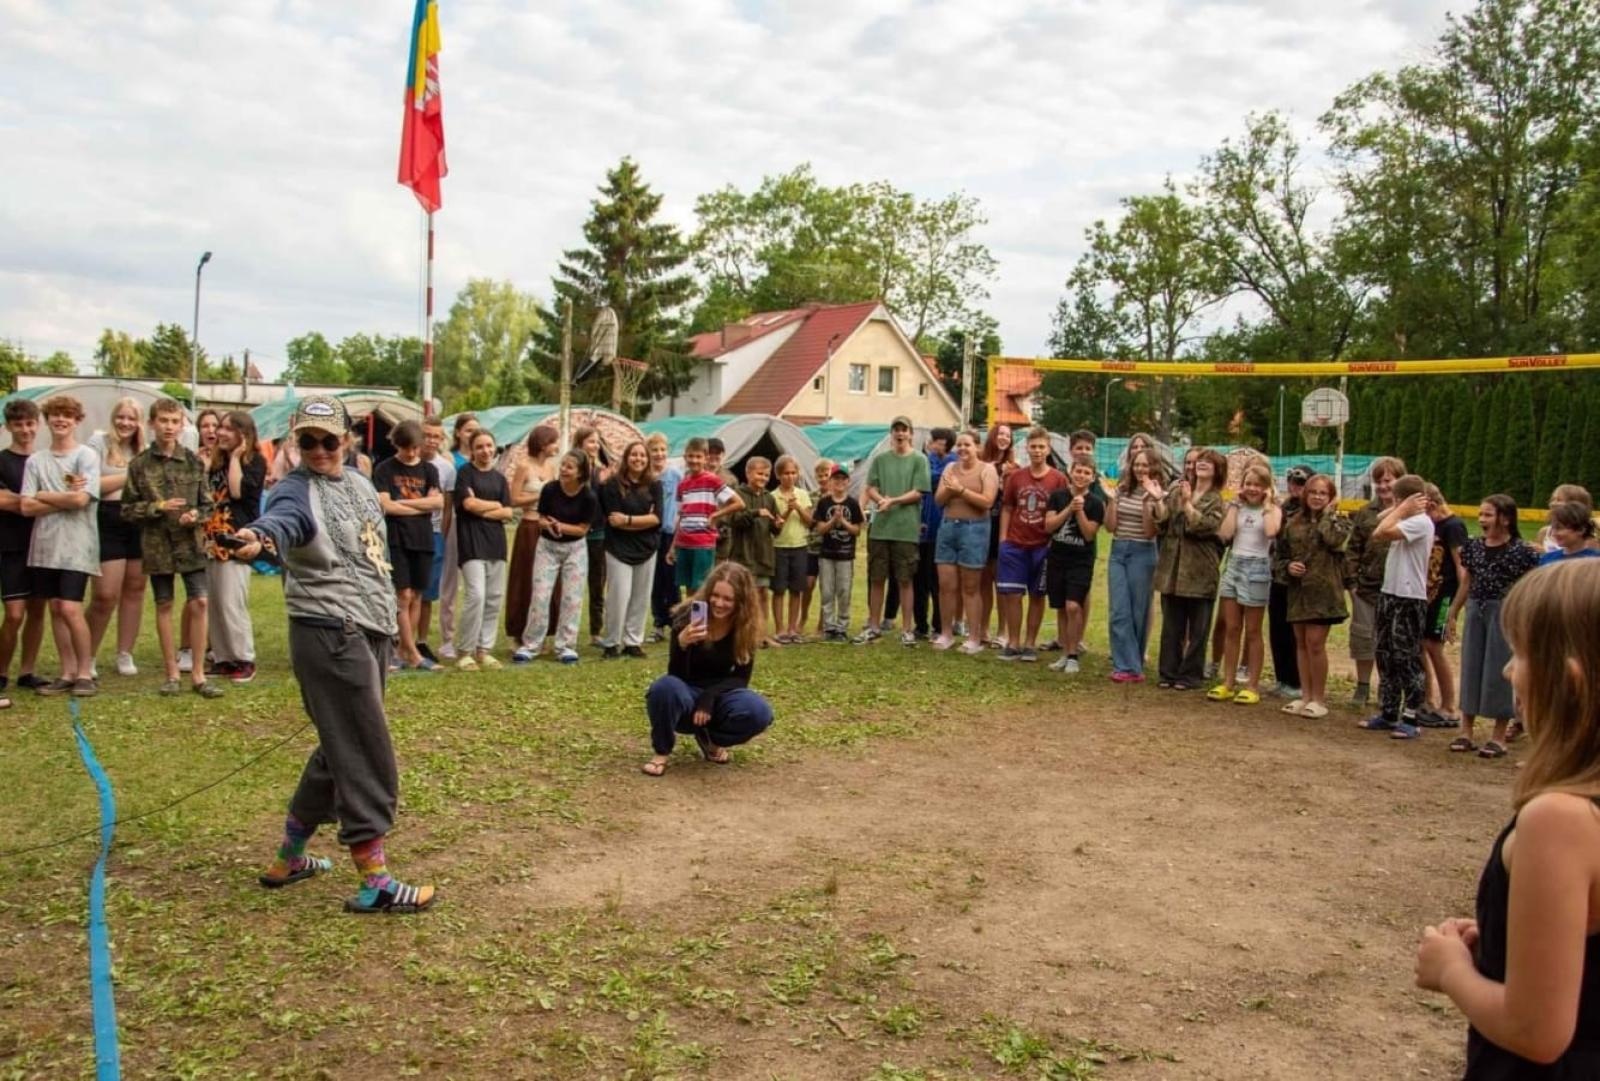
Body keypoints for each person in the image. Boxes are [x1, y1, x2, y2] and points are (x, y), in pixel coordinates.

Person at [231, 395, 435, 915]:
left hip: (366, 631)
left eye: (329, 440)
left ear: (346, 439)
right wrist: (257, 537)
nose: (319, 450)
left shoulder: (361, 482)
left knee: (339, 745)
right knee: (364, 748)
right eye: (308, 441)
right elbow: (281, 522)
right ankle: (377, 881)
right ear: (295, 444)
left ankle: (289, 858)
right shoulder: (295, 492)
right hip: (331, 633)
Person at [1413, 558, 1600, 1076]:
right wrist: (1506, 933)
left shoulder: (1560, 819)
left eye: (1519, 654)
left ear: (1570, 681)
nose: (1506, 670)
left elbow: (1535, 1031)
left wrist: (1451, 972)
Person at [122, 399, 223, 699]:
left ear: (181, 425)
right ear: (152, 423)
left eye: (174, 421)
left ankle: (198, 675)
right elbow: (127, 509)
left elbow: (208, 505)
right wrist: (157, 507)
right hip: (157, 546)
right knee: (164, 604)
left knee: (200, 602)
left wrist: (196, 516)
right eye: (163, 420)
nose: (168, 426)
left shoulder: (193, 461)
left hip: (190, 544)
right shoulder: (139, 465)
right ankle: (171, 674)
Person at [641, 561, 773, 777]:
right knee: (663, 688)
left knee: (759, 712)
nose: (719, 603)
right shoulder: (687, 615)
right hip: (685, 692)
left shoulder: (746, 625)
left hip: (720, 696)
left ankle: (711, 738)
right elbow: (676, 675)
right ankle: (661, 752)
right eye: (716, 596)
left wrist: (709, 698)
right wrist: (682, 645)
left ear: (741, 600)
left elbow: (740, 679)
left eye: (728, 599)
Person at [1446, 495, 1542, 759]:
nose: (1481, 520)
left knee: (1498, 670)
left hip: (1505, 611)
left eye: (1488, 515)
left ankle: (1498, 737)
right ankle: (1466, 731)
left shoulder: (1522, 551)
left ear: (1506, 519)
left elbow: (1528, 586)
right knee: (1471, 666)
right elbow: (1466, 583)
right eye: (1481, 514)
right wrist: (1453, 613)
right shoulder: (1473, 547)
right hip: (1476, 608)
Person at [21, 395, 100, 696]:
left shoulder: (85, 457)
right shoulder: (36, 461)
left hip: (76, 547)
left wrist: (43, 495)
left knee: (70, 607)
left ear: (77, 420)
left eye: (67, 415)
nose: (60, 420)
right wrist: (60, 498)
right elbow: (26, 506)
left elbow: (81, 499)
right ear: (47, 420)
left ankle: (84, 672)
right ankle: (67, 671)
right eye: (55, 415)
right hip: (44, 545)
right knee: (55, 608)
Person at [1360, 473, 1434, 739]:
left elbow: (1380, 533)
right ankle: (1389, 711)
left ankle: (1412, 714)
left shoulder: (1421, 522)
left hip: (1409, 597)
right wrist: (1400, 507)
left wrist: (1404, 508)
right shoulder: (1405, 515)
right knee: (1385, 653)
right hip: (1389, 593)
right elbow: (1380, 519)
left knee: (1406, 657)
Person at [1275, 474, 1352, 719]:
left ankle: (1319, 698)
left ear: (1330, 498)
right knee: (1300, 643)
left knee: (1315, 644)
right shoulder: (1292, 523)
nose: (1317, 497)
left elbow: (1333, 540)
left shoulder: (1340, 521)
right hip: (1299, 591)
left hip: (1324, 592)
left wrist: (1328, 515)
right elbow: (1280, 555)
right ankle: (1305, 695)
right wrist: (1288, 567)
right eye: (1313, 492)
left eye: (1323, 493)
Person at [1152, 447, 1226, 690]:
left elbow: (1204, 526)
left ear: (1217, 470)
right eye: (1198, 461)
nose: (1200, 464)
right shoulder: (1178, 490)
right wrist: (1157, 500)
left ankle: (1190, 675)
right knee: (1171, 626)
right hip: (1172, 568)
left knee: (1198, 628)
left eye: (1207, 462)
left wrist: (1187, 505)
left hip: (1200, 571)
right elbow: (1163, 522)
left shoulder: (1216, 499)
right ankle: (1168, 672)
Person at [1208, 463, 1282, 704]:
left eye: (1257, 485)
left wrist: (1268, 504)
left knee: (1252, 630)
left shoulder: (1272, 509)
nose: (1252, 489)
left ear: (1266, 488)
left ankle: (1252, 684)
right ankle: (1228, 681)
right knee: (1231, 628)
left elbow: (1271, 532)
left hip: (1257, 567)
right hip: (1235, 564)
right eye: (1248, 484)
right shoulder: (1237, 507)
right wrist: (1234, 505)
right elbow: (1225, 533)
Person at [512, 450, 595, 665]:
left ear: (580, 472)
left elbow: (582, 529)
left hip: (575, 549)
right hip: (547, 547)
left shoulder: (588, 496)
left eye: (570, 467)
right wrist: (548, 525)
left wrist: (561, 526)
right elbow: (539, 519)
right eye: (563, 465)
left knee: (572, 598)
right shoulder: (550, 489)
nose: (564, 470)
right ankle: (530, 645)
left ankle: (566, 646)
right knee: (540, 595)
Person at [372, 420, 443, 672]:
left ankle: (404, 648)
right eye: (406, 448)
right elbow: (386, 505)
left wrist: (403, 505)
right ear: (397, 445)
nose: (411, 453)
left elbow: (438, 504)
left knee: (417, 595)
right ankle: (411, 653)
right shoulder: (384, 469)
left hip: (423, 537)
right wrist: (421, 504)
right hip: (396, 538)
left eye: (415, 448)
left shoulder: (429, 470)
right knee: (402, 594)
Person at [857, 417, 932, 647]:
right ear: (892, 433)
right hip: (880, 529)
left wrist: (894, 501)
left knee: (905, 580)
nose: (900, 434)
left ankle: (907, 630)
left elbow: (920, 491)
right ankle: (874, 626)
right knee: (877, 578)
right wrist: (881, 500)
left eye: (904, 430)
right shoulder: (881, 459)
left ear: (910, 434)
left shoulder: (919, 460)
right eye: (896, 430)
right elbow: (870, 487)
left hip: (906, 530)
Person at [203, 410, 266, 683]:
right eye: (220, 428)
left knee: (231, 602)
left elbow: (237, 491)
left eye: (228, 429)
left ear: (243, 433)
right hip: (212, 538)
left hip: (237, 538)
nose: (221, 433)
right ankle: (223, 657)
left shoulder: (254, 461)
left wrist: (238, 457)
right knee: (215, 602)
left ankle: (243, 658)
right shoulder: (215, 461)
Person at [86, 396, 146, 678]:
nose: (125, 423)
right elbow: (91, 485)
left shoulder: (144, 450)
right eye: (121, 417)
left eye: (131, 418)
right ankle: (86, 653)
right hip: (107, 519)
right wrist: (130, 475)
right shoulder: (98, 444)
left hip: (137, 520)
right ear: (113, 418)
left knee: (135, 589)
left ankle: (125, 652)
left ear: (139, 423)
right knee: (105, 594)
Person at [995, 426, 1064, 662]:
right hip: (1015, 543)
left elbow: (1062, 512)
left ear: (1048, 448)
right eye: (1033, 446)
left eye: (1041, 447)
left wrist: (1054, 543)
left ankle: (1030, 644)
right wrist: (1003, 540)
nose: (1037, 451)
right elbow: (1007, 508)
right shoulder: (1016, 477)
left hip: (1042, 545)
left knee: (1037, 595)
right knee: (1012, 595)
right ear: (1027, 448)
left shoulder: (1058, 478)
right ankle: (1013, 642)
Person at [1346, 457, 1407, 709]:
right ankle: (1362, 686)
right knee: (1363, 638)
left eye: (1388, 480)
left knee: (1392, 642)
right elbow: (1353, 549)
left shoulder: (1410, 513)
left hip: (1397, 588)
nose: (1383, 486)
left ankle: (1388, 687)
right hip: (1367, 588)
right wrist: (1352, 583)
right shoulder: (1365, 513)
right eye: (1379, 481)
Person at [933, 430, 998, 655]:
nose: (962, 449)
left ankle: (974, 637)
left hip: (975, 530)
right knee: (946, 585)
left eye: (967, 445)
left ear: (977, 447)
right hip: (948, 527)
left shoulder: (987, 470)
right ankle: (946, 633)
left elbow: (987, 501)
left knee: (971, 587)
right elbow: (938, 499)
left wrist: (960, 489)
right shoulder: (950, 469)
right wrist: (950, 491)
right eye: (959, 445)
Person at [452, 430, 513, 670]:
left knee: (494, 597)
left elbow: (508, 512)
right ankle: (465, 650)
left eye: (489, 445)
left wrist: (483, 507)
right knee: (476, 595)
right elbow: (467, 504)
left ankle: (483, 649)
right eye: (480, 447)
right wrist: (495, 505)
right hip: (472, 543)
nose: (485, 451)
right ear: (472, 449)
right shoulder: (465, 473)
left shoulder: (499, 479)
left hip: (496, 544)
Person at [0, 399, 48, 704]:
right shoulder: (2, 460)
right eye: (19, 424)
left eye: (30, 423)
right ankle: (1, 671)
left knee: (37, 610)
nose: (25, 430)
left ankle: (27, 671)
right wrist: (42, 502)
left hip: (43, 543)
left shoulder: (44, 460)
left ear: (38, 424)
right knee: (14, 614)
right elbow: (5, 501)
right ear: (8, 427)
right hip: (11, 546)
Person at [599, 440, 663, 658]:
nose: (638, 459)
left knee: (640, 596)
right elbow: (612, 519)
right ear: (626, 458)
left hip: (647, 548)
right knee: (619, 595)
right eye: (634, 455)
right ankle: (611, 642)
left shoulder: (655, 485)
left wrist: (628, 519)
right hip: (618, 548)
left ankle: (633, 641)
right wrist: (644, 519)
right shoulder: (612, 485)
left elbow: (657, 518)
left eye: (643, 456)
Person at [887, 428, 953, 640]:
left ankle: (939, 625)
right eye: (932, 442)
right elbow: (924, 480)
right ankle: (921, 625)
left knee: (937, 582)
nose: (932, 445)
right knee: (919, 580)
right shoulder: (925, 461)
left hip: (940, 530)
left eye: (937, 442)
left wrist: (935, 476)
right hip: (919, 530)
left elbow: (934, 479)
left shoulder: (951, 463)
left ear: (946, 444)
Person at [1107, 447, 1166, 682]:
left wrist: (1147, 502)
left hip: (1143, 552)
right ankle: (1126, 665)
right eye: (1137, 464)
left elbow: (1150, 531)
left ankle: (1134, 663)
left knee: (1138, 611)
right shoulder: (1121, 489)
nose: (1140, 469)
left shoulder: (1156, 493)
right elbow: (1110, 527)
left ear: (1154, 468)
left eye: (1145, 465)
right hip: (1119, 550)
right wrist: (1112, 501)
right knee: (1118, 610)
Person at [1042, 453, 1104, 674]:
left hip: (1081, 562)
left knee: (1073, 606)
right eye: (1078, 470)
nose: (1081, 475)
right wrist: (1068, 508)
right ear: (1070, 471)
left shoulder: (1096, 504)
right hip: (1058, 558)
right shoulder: (1058, 496)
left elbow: (1089, 534)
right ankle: (1064, 652)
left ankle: (1073, 654)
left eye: (1087, 472)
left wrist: (1079, 513)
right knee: (1060, 607)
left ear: (1092, 477)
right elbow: (1049, 526)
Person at [503, 425, 560, 645]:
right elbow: (513, 499)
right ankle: (520, 631)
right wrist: (538, 496)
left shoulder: (552, 468)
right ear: (543, 444)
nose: (556, 446)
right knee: (525, 578)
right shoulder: (524, 467)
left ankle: (545, 630)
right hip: (529, 527)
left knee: (548, 583)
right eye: (553, 442)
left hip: (548, 527)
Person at [1419, 484, 1469, 727]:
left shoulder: (1453, 526)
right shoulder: (1432, 525)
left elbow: (1462, 567)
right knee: (1420, 644)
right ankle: (1427, 699)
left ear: (1431, 504)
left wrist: (1457, 607)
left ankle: (1449, 705)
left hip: (1445, 595)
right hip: (1427, 594)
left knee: (1434, 646)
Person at [671, 437, 742, 597]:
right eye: (691, 456)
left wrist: (716, 515)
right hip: (684, 543)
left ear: (705, 458)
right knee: (688, 588)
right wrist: (673, 545)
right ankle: (693, 621)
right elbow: (681, 516)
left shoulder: (712, 481)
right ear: (685, 457)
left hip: (703, 544)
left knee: (703, 589)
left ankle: (701, 621)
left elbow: (738, 503)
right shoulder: (683, 484)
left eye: (698, 456)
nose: (694, 460)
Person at [433, 412, 479, 657]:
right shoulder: (451, 458)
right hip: (456, 521)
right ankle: (448, 637)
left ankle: (474, 635)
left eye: (476, 430)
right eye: (468, 430)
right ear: (459, 433)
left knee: (475, 584)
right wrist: (445, 526)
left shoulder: (483, 458)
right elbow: (450, 498)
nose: (472, 435)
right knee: (449, 583)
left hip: (478, 525)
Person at [1266, 466, 1310, 700]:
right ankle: (1282, 678)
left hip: (1302, 581)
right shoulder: (1283, 508)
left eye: (1301, 483)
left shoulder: (1313, 511)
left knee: (1298, 635)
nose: (1296, 487)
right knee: (1278, 629)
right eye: (1293, 482)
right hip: (1280, 575)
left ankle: (1299, 681)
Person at [726, 457, 780, 645]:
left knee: (763, 593)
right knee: (744, 596)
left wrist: (777, 524)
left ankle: (762, 634)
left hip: (763, 554)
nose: (763, 478)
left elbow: (774, 529)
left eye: (766, 475)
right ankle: (742, 634)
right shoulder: (737, 494)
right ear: (748, 473)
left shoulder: (769, 498)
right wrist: (756, 513)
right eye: (759, 474)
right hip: (743, 554)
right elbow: (735, 521)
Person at [415, 415, 456, 662]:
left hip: (434, 534)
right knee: (405, 591)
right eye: (427, 435)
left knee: (428, 592)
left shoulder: (447, 469)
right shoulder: (405, 462)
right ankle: (400, 638)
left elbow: (447, 507)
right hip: (407, 533)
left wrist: (443, 532)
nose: (431, 441)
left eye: (436, 436)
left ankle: (421, 641)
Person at [813, 465, 863, 641]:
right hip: (826, 554)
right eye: (836, 479)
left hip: (845, 555)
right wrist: (833, 520)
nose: (839, 482)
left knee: (844, 590)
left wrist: (843, 521)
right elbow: (820, 529)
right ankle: (829, 627)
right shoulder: (824, 503)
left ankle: (842, 627)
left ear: (848, 482)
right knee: (827, 591)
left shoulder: (853, 503)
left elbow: (857, 530)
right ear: (830, 482)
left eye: (843, 479)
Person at [977, 423, 1016, 645]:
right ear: (993, 436)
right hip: (982, 525)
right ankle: (983, 629)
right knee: (983, 580)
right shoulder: (981, 463)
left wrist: (1007, 479)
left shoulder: (1014, 467)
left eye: (1008, 435)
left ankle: (1002, 631)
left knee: (1001, 581)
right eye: (1000, 434)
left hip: (1004, 529)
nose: (1004, 438)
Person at [769, 455, 813, 643]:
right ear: (778, 475)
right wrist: (787, 510)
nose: (790, 476)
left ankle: (792, 628)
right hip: (779, 547)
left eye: (793, 473)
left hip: (800, 546)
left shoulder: (803, 495)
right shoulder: (772, 496)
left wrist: (798, 508)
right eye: (786, 473)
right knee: (779, 590)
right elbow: (775, 525)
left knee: (796, 589)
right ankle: (780, 629)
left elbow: (809, 521)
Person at [575, 426, 612, 647]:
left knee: (597, 584)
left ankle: (596, 631)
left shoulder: (602, 471)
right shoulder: (574, 470)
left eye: (597, 442)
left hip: (598, 533)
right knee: (573, 586)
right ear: (580, 444)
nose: (595, 446)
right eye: (590, 442)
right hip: (576, 534)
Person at [648, 433, 682, 642]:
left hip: (670, 533)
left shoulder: (675, 475)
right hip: (651, 533)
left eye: (662, 450)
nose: (659, 454)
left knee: (672, 580)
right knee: (655, 581)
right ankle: (658, 623)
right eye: (655, 450)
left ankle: (676, 623)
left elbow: (681, 505)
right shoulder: (647, 477)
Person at [804, 457, 832, 637]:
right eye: (819, 475)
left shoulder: (837, 497)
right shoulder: (811, 496)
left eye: (826, 475)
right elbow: (809, 521)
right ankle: (802, 617)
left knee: (826, 588)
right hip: (812, 547)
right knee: (808, 584)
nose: (822, 479)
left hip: (830, 548)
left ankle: (822, 624)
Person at [1533, 484, 1592, 553]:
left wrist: (1547, 553)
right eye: (1553, 499)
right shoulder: (1545, 532)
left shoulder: (1588, 537)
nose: (1552, 504)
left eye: (1559, 500)